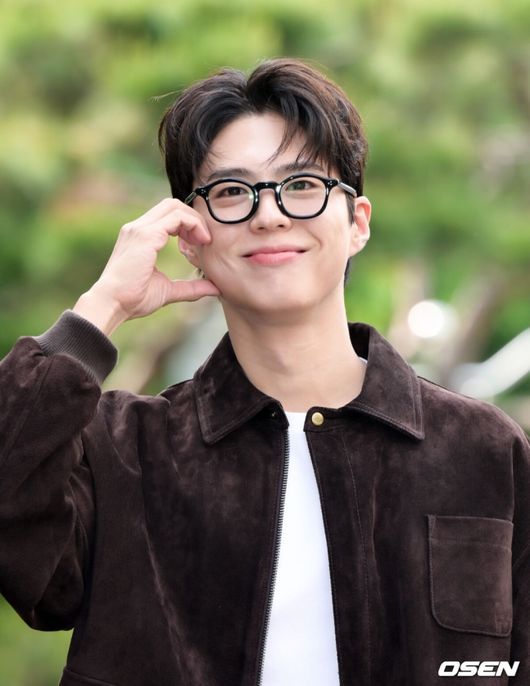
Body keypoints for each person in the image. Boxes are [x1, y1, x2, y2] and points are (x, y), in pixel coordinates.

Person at [0, 58, 528, 686]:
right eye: (231, 192)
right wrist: (102, 307)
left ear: (357, 223)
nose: (269, 215)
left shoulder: (482, 450)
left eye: (301, 184)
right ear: (190, 238)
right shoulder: (124, 451)